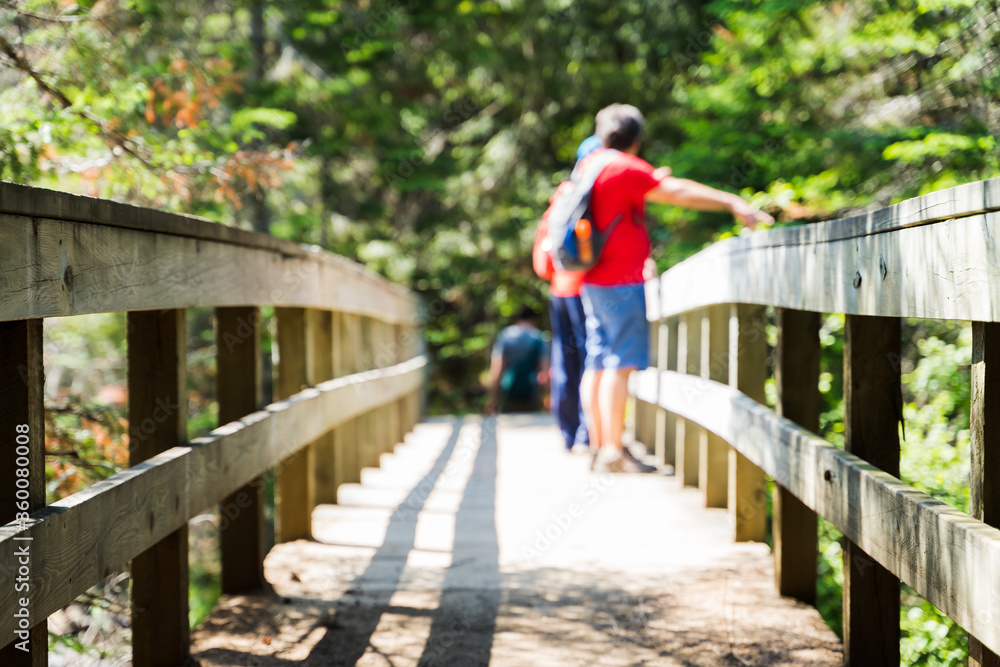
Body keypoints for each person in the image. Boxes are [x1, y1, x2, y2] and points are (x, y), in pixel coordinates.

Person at [580, 104, 773, 473]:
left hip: (594, 280)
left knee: (599, 360)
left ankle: (599, 443)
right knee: (620, 364)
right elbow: (677, 193)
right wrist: (733, 202)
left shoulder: (592, 164)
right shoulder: (623, 165)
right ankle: (612, 451)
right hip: (620, 281)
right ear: (636, 139)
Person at [533, 136, 603, 451]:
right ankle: (590, 433)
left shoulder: (561, 194)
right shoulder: (592, 191)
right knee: (592, 357)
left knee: (565, 359)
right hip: (585, 287)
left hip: (559, 287)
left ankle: (567, 433)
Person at [487, 306, 549, 414]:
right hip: (531, 392)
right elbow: (544, 373)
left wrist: (492, 400)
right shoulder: (539, 337)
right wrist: (548, 398)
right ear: (534, 319)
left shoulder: (504, 336)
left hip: (508, 391)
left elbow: (496, 370)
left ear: (516, 319)